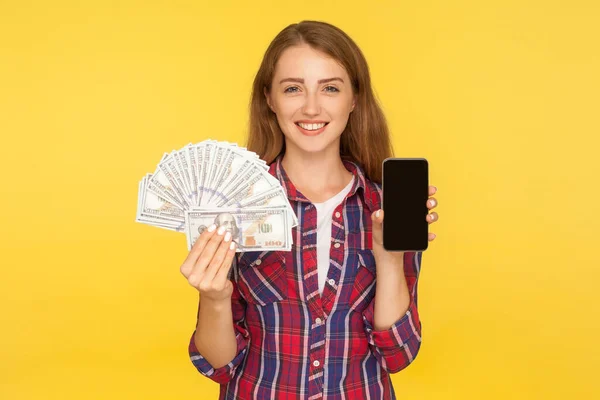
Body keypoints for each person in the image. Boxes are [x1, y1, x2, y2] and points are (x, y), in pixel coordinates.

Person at [179, 20, 440, 400]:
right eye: (293, 89)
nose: (312, 107)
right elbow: (219, 365)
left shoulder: (387, 208)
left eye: (330, 88)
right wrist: (214, 298)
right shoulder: (232, 206)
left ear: (354, 99)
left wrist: (389, 259)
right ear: (269, 98)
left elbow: (398, 355)